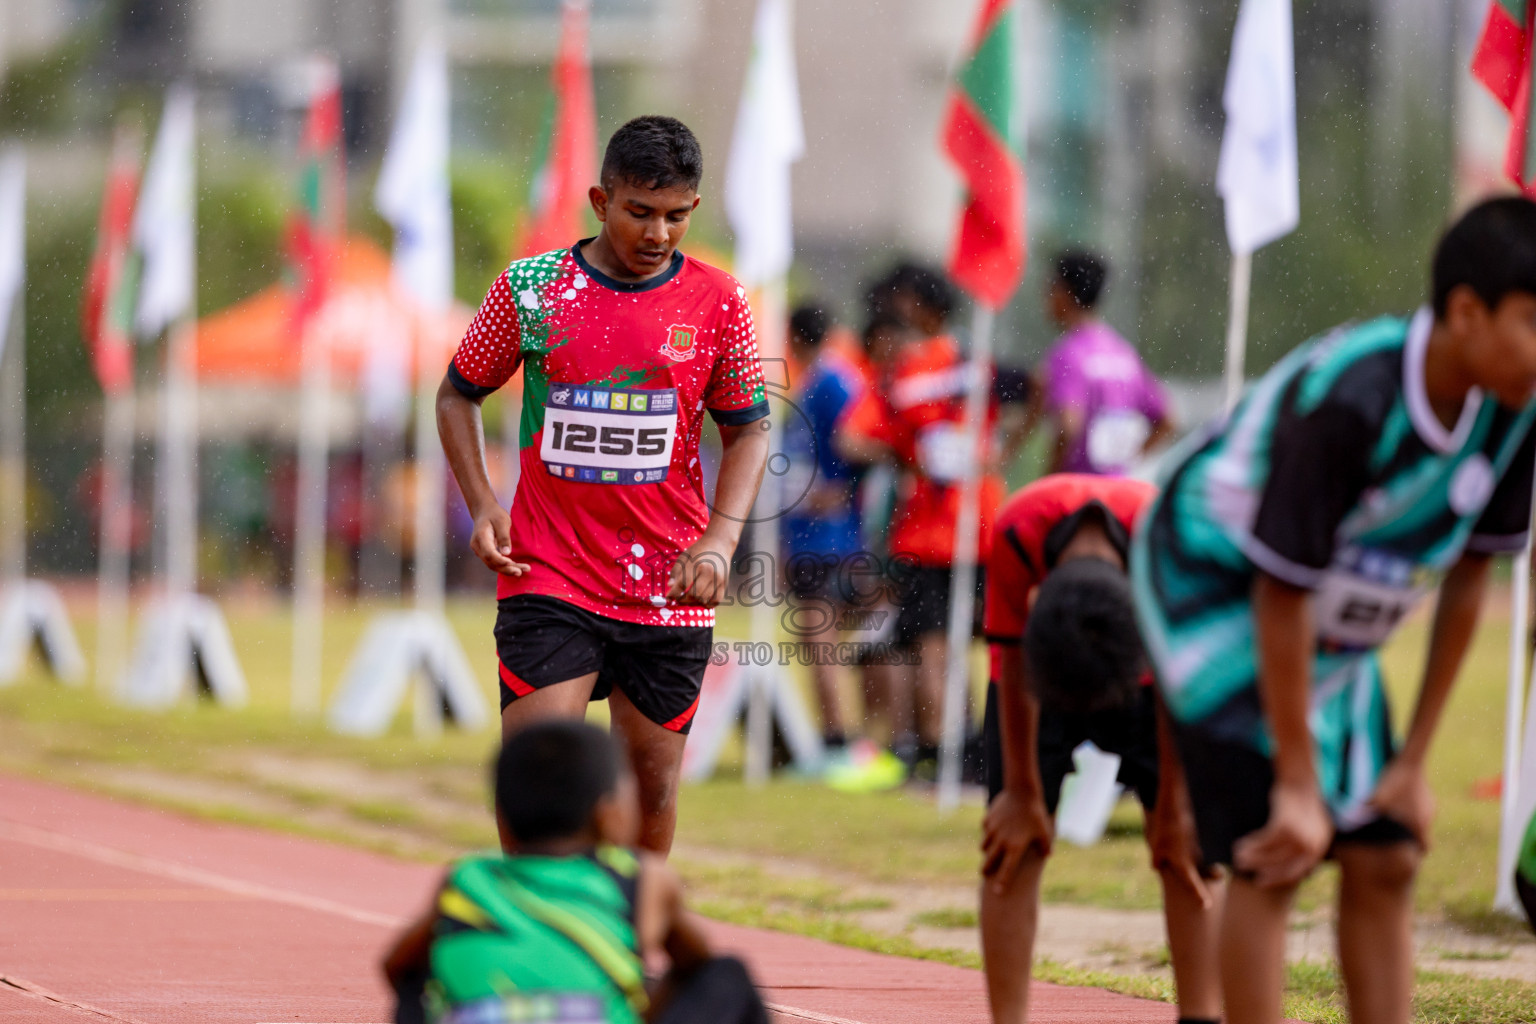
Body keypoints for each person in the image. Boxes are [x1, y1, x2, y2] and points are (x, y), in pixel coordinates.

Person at [1131, 196, 1536, 1024]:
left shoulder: (1516, 407)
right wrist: (1295, 781)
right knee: (1281, 848)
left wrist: (1413, 761)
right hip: (1209, 594)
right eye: (1534, 321)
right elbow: (1280, 588)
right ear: (1466, 312)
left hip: (1321, 617)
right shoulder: (1356, 398)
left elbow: (1469, 576)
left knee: (1387, 854)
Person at [437, 115, 770, 854]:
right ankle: (536, 930)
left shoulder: (720, 304)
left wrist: (719, 541)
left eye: (676, 215)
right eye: (639, 212)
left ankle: (628, 940)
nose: (657, 233)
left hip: (668, 581)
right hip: (547, 570)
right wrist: (484, 502)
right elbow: (457, 394)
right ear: (600, 199)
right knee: (539, 778)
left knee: (649, 787)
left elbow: (748, 430)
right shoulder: (532, 289)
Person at [978, 473, 1220, 1024]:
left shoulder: (1170, 542)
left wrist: (1176, 806)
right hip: (1041, 676)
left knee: (1190, 847)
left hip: (1157, 684)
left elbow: (1182, 682)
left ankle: (1202, 1015)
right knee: (1010, 842)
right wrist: (1020, 793)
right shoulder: (1017, 529)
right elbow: (1011, 664)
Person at [384, 721, 769, 1024]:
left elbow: (396, 965)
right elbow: (696, 963)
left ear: (502, 815)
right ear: (609, 815)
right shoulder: (642, 879)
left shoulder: (468, 877)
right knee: (727, 976)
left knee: (415, 982)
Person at [836, 263, 1026, 777]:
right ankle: (978, 755)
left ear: (917, 307)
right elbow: (1038, 391)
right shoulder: (976, 359)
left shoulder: (903, 372)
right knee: (988, 649)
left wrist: (901, 457)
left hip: (928, 532)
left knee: (931, 650)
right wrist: (1001, 452)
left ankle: (944, 756)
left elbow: (849, 436)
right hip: (982, 523)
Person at [782, 302, 867, 756]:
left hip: (828, 534)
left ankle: (839, 736)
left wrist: (845, 489)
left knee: (819, 633)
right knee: (818, 634)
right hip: (811, 531)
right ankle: (838, 732)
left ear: (795, 337)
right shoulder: (815, 381)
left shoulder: (833, 382)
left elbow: (861, 442)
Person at [1034, 251, 1171, 476]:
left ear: (1066, 292)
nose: (1046, 296)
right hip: (1116, 496)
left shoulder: (1068, 353)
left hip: (1080, 497)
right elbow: (1167, 420)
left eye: (1051, 287)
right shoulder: (1122, 352)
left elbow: (1069, 427)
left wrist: (1050, 478)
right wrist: (1126, 462)